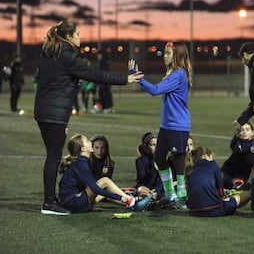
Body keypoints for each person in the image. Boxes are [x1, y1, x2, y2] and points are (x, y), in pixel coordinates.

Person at [34, 20, 144, 215]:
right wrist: (124, 79)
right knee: (53, 157)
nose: (81, 37)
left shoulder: (49, 53)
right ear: (68, 37)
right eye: (77, 34)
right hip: (54, 113)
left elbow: (53, 81)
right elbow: (93, 74)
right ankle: (49, 203)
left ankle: (52, 199)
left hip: (44, 111)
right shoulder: (67, 55)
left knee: (53, 155)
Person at [130, 41, 193, 207]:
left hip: (178, 125)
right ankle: (169, 193)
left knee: (178, 160)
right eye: (164, 53)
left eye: (168, 53)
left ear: (177, 56)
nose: (164, 56)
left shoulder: (178, 74)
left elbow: (155, 90)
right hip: (167, 125)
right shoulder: (172, 72)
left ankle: (181, 196)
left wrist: (139, 79)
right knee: (159, 157)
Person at [58, 134, 140, 214]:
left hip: (70, 202)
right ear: (83, 148)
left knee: (104, 191)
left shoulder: (82, 161)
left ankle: (133, 205)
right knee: (105, 181)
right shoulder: (81, 163)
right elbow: (95, 188)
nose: (90, 142)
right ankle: (132, 201)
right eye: (87, 142)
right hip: (73, 202)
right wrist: (120, 197)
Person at [185, 146, 251, 217]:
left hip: (194, 211)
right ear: (207, 155)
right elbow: (220, 190)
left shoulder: (190, 169)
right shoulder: (213, 165)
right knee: (242, 196)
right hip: (213, 209)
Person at [221, 122, 254, 189]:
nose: (245, 132)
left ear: (252, 132)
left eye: (247, 130)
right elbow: (234, 148)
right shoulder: (237, 143)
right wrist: (249, 150)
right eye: (242, 130)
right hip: (227, 171)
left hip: (241, 175)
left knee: (236, 185)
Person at [134, 132, 164, 201]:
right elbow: (142, 179)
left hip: (160, 188)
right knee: (140, 189)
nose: (156, 148)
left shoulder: (163, 160)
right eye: (153, 145)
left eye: (158, 145)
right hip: (146, 187)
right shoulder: (140, 161)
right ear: (146, 147)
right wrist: (153, 168)